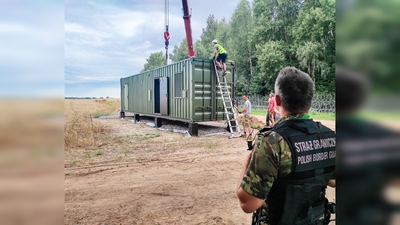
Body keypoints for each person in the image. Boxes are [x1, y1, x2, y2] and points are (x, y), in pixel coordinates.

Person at [236, 67, 336, 225]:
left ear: (276, 100)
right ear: (310, 100)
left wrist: (248, 161)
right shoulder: (330, 137)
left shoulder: (272, 142)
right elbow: (334, 180)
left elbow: (248, 203)